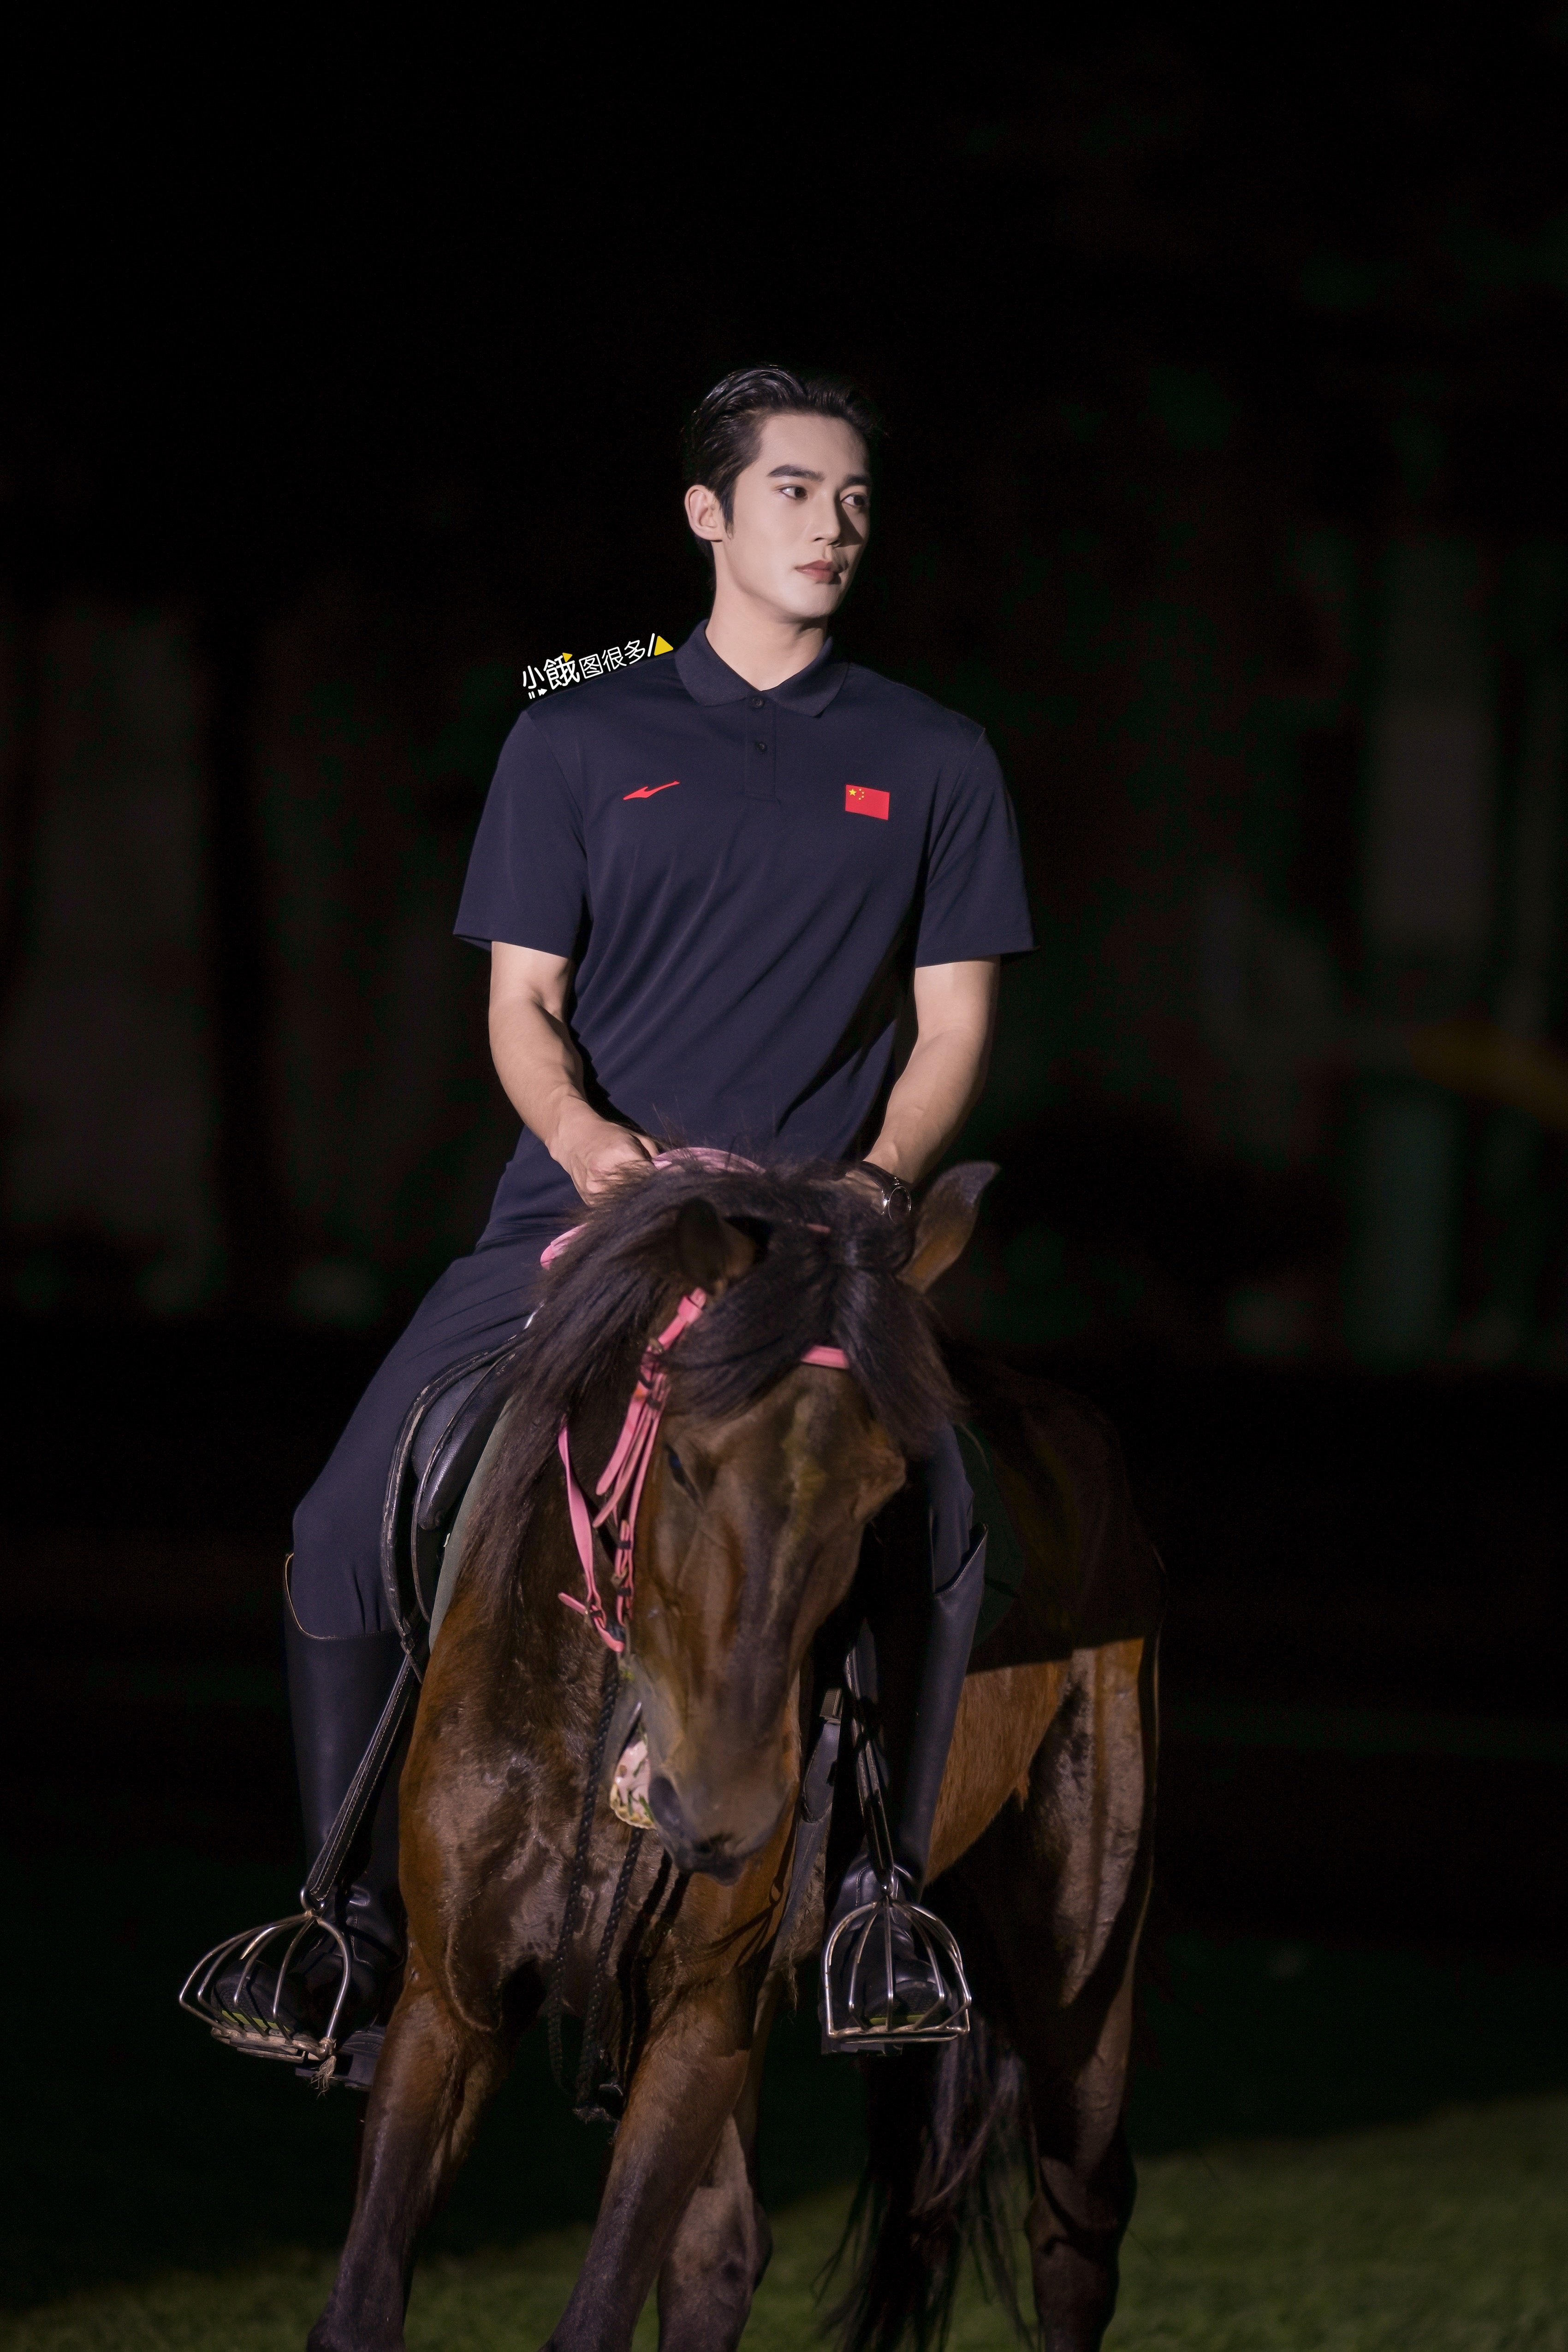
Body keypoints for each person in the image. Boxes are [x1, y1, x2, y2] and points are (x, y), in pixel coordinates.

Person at [217, 363, 1034, 2055]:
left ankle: (880, 1896)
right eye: (796, 490)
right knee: (336, 1520)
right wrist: (591, 1146)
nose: (834, 524)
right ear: (708, 513)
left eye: (855, 498)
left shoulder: (937, 754)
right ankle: (341, 1924)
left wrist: (880, 1180)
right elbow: (523, 1002)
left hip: (811, 1245)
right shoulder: (576, 731)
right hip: (580, 1221)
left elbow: (954, 1025)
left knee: (950, 1516)